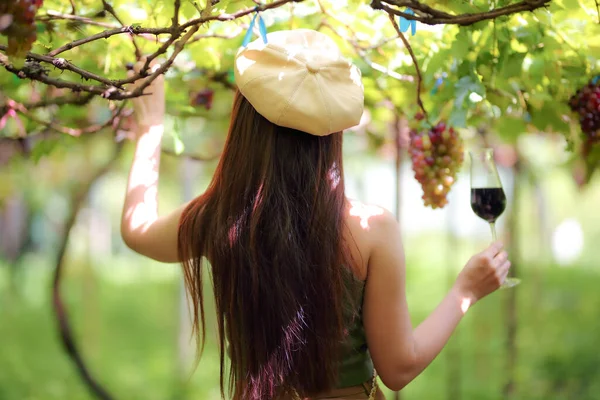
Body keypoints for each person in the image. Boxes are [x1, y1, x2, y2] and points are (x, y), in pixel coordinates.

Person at [120, 29, 511, 400]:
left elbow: (137, 230)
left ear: (245, 125)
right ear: (332, 130)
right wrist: (465, 291)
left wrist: (150, 126)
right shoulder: (370, 229)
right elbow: (398, 367)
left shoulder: (219, 216)